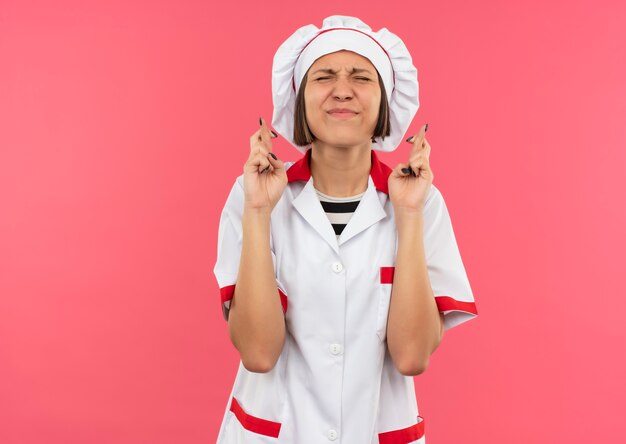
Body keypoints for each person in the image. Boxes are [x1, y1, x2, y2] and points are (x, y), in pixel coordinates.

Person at [213, 15, 478, 443]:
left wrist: (407, 218)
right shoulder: (252, 196)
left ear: (385, 101)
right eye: (324, 76)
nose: (342, 90)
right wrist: (259, 212)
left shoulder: (421, 203)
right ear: (299, 99)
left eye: (360, 76)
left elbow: (411, 357)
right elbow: (258, 353)